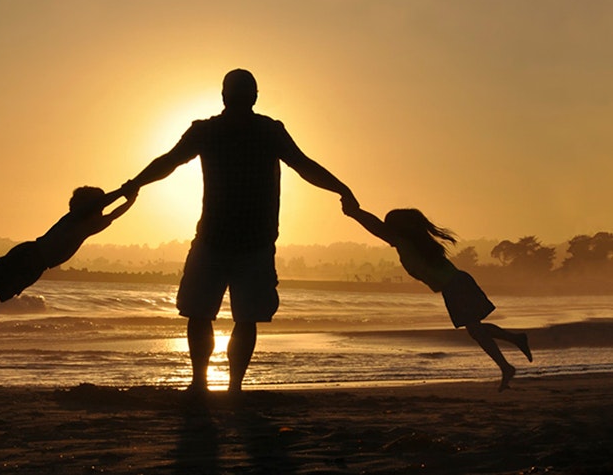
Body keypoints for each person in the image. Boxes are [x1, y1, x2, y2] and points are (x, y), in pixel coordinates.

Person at [121, 69, 357, 394]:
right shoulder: (260, 131)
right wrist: (341, 188)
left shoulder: (222, 131)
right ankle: (229, 387)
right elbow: (303, 165)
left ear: (224, 96)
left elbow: (169, 162)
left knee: (205, 314)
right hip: (243, 241)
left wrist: (135, 184)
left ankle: (204, 384)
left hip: (227, 241)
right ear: (254, 96)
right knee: (236, 318)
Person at [343, 204, 532, 391]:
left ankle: (507, 363)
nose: (387, 229)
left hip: (456, 285)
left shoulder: (406, 242)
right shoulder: (417, 242)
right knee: (476, 329)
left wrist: (355, 213)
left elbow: (375, 227)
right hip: (457, 284)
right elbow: (378, 227)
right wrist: (355, 212)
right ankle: (513, 345)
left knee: (475, 330)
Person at [0, 186, 136, 321]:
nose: (101, 210)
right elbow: (103, 203)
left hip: (40, 266)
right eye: (98, 206)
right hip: (32, 252)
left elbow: (113, 215)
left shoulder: (90, 227)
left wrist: (130, 199)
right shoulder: (74, 217)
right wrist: (122, 191)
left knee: (5, 288)